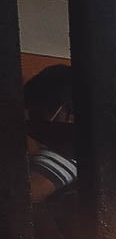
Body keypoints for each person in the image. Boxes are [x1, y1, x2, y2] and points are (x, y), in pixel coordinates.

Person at [24, 64, 76, 204]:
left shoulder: (69, 153)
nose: (32, 121)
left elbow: (19, 199)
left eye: (39, 113)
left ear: (69, 113)